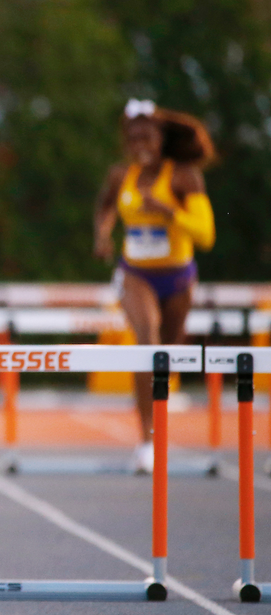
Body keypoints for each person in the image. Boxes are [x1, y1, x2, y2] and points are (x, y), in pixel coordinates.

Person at [94, 99, 215, 474]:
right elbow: (104, 206)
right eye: (133, 138)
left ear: (162, 139)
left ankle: (158, 420)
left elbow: (206, 235)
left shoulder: (183, 177)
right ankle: (147, 441)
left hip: (178, 276)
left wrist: (168, 212)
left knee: (169, 355)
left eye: (147, 136)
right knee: (146, 345)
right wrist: (102, 234)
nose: (140, 144)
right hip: (136, 273)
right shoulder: (121, 175)